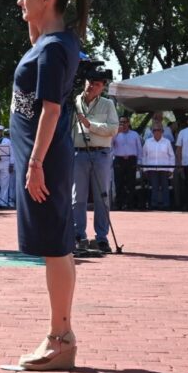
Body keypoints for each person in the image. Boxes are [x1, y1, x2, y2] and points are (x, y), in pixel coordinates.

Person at [9, 0, 85, 371]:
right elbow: (35, 45)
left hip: (45, 157)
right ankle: (61, 335)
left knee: (55, 248)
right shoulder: (52, 42)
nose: (20, 0)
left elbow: (51, 109)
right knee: (57, 246)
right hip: (42, 155)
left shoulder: (55, 47)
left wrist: (36, 162)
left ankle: (60, 338)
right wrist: (28, 8)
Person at [71, 75, 119, 253]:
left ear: (102, 87)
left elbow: (113, 129)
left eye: (97, 84)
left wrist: (90, 124)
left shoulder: (107, 104)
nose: (92, 86)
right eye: (90, 82)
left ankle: (101, 238)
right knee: (77, 197)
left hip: (101, 153)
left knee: (102, 196)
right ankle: (78, 236)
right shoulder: (74, 101)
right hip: (78, 152)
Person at [140, 125, 175, 209]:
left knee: (165, 188)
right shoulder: (148, 142)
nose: (157, 132)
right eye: (155, 130)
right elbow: (143, 155)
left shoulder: (167, 142)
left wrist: (171, 169)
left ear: (162, 132)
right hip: (152, 169)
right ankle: (153, 205)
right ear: (152, 132)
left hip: (164, 169)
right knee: (154, 187)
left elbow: (172, 156)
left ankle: (166, 205)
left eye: (159, 130)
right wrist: (145, 169)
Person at [111, 116, 142, 210]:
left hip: (131, 160)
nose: (123, 124)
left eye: (124, 122)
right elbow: (110, 145)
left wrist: (139, 162)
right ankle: (119, 204)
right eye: (121, 122)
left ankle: (130, 204)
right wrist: (116, 133)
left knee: (131, 183)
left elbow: (139, 149)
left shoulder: (135, 134)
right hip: (119, 160)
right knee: (118, 183)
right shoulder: (115, 134)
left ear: (128, 123)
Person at [176, 122, 188, 211]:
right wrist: (180, 163)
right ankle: (187, 205)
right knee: (187, 185)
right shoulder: (183, 132)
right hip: (186, 163)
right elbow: (179, 149)